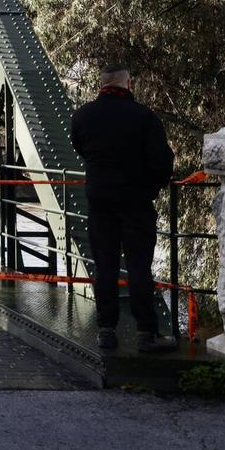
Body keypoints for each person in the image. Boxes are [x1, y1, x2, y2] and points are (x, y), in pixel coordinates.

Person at [70, 63, 176, 352]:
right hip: (136, 203)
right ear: (128, 84)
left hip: (99, 202)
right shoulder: (145, 117)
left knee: (105, 267)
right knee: (139, 267)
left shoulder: (82, 117)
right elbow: (163, 162)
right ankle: (146, 334)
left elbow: (80, 148)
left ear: (101, 85)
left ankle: (106, 331)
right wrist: (152, 187)